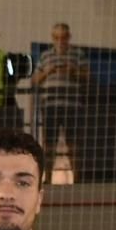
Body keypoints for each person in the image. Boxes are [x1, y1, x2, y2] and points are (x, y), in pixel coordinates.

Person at [34, 22, 89, 181]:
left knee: (74, 143)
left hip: (72, 106)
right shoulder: (45, 56)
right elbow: (35, 79)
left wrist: (73, 71)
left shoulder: (78, 55)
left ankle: (77, 179)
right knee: (49, 143)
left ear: (69, 37)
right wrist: (47, 72)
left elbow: (87, 76)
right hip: (50, 106)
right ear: (52, 38)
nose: (60, 41)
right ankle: (48, 178)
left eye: (63, 37)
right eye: (57, 37)